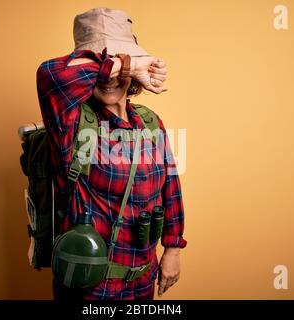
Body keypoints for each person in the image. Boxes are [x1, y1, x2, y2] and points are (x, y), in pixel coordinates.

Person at [36, 7, 187, 300]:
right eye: (103, 61)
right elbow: (49, 74)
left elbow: (170, 188)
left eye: (119, 60)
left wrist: (172, 248)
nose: (110, 75)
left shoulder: (150, 121)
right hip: (88, 288)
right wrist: (127, 66)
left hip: (143, 281)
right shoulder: (70, 121)